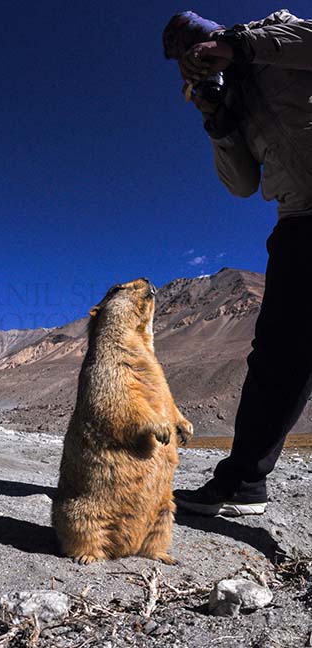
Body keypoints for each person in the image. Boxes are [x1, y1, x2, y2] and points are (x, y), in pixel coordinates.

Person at [162, 10, 312, 516]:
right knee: (278, 358)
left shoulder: (278, 33)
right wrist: (218, 121)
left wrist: (238, 45)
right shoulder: (236, 97)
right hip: (299, 221)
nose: (191, 60)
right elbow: (243, 185)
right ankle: (244, 482)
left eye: (191, 47)